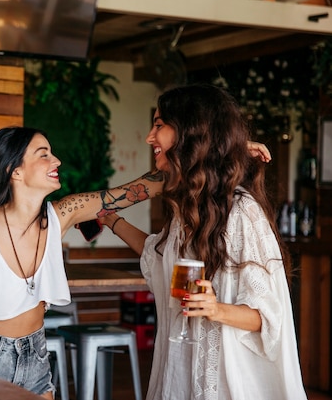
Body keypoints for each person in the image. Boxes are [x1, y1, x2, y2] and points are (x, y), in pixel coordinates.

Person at [0, 126, 167, 399]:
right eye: (44, 155)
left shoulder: (62, 214)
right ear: (14, 171)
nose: (57, 161)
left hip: (37, 356)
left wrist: (183, 151)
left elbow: (141, 189)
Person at [102, 84, 306, 399]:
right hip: (179, 373)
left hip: (225, 383)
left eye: (159, 125)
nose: (149, 137)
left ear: (189, 132)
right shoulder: (187, 210)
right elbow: (156, 257)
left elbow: (268, 318)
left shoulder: (242, 212)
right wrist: (111, 220)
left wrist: (215, 308)